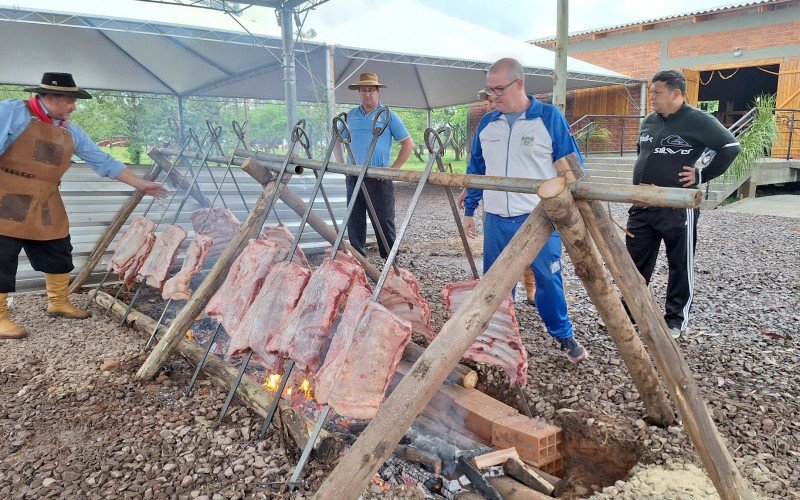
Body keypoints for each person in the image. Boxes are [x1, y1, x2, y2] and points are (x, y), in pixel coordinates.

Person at [0, 72, 168, 340]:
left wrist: (141, 184)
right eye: (69, 100)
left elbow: (102, 160)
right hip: (8, 196)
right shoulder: (11, 113)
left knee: (59, 249)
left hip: (45, 198)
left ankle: (57, 302)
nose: (74, 106)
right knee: (2, 256)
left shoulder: (70, 130)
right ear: (50, 97)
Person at [462, 58, 588, 363]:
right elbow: (476, 170)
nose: (493, 96)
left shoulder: (549, 118)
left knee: (547, 278)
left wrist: (573, 211)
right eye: (489, 90)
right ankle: (501, 333)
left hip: (538, 219)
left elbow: (573, 167)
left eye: (498, 89)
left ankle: (563, 335)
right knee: (496, 279)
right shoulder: (488, 124)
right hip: (495, 219)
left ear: (520, 83)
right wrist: (470, 209)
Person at [627, 70, 740, 339]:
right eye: (651, 91)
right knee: (633, 263)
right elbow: (642, 153)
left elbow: (731, 146)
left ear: (676, 94)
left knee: (679, 262)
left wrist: (701, 174)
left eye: (657, 92)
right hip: (642, 204)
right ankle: (632, 313)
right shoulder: (650, 122)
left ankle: (675, 319)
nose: (651, 97)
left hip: (678, 207)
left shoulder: (698, 120)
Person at [344, 72, 414, 258]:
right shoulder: (351, 116)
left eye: (371, 90)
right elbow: (338, 140)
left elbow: (408, 144)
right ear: (359, 92)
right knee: (354, 221)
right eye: (364, 90)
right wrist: (342, 165)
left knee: (383, 222)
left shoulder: (388, 116)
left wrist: (393, 170)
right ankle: (359, 263)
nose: (367, 94)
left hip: (379, 178)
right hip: (353, 176)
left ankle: (391, 264)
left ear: (377, 92)